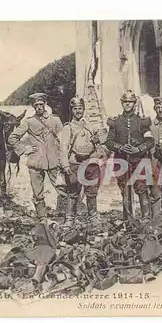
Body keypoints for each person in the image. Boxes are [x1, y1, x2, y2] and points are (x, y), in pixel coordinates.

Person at [8, 93, 66, 223]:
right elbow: (12, 138)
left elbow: (63, 140)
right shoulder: (28, 121)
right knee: (37, 192)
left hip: (54, 161)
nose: (39, 107)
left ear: (45, 104)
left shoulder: (55, 120)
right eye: (36, 105)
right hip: (36, 161)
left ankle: (65, 215)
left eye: (41, 104)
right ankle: (42, 218)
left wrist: (62, 157)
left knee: (62, 188)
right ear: (33, 107)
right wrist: (24, 149)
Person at [105, 90, 155, 223]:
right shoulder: (115, 122)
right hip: (121, 160)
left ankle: (145, 217)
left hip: (138, 161)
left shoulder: (142, 122)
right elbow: (109, 142)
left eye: (130, 102)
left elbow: (150, 141)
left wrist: (137, 149)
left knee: (141, 187)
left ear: (134, 103)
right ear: (121, 103)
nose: (127, 104)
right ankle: (128, 218)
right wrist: (120, 147)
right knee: (125, 188)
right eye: (125, 102)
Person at [59, 95, 107, 227]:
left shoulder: (91, 126)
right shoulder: (68, 127)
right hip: (75, 163)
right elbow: (63, 148)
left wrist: (99, 138)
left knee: (91, 192)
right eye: (75, 109)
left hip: (90, 163)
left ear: (84, 109)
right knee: (73, 192)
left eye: (80, 108)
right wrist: (65, 165)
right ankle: (69, 218)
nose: (78, 111)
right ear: (72, 110)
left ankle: (92, 217)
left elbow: (104, 135)